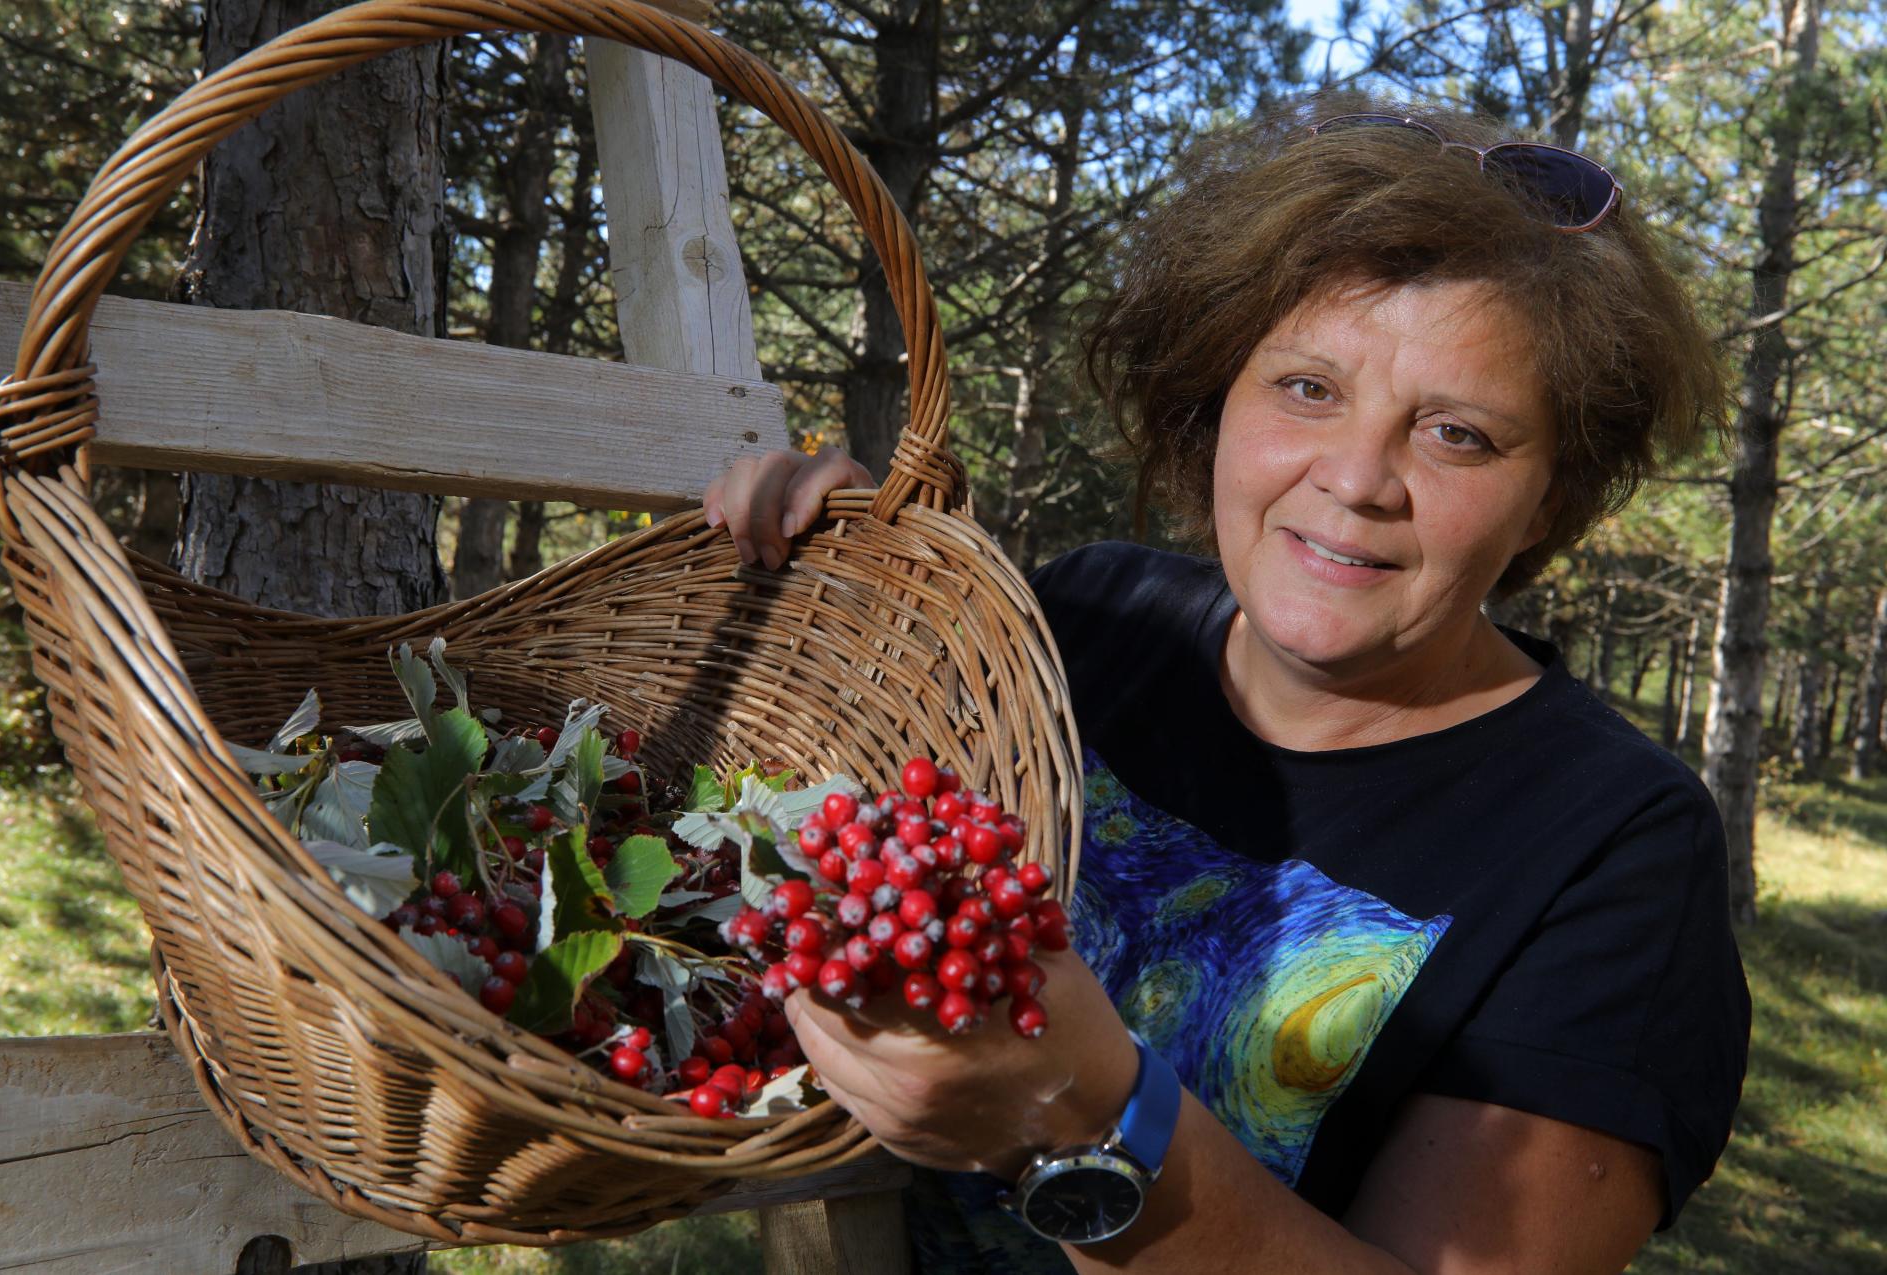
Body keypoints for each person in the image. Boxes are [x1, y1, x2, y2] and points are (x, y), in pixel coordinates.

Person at [701, 91, 1750, 1274]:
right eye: (1307, 388)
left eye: (1456, 433)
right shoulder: (1091, 620)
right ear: (1220, 396)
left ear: (1549, 498)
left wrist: (1087, 1124)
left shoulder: (1614, 849)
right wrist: (845, 580)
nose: (1357, 478)